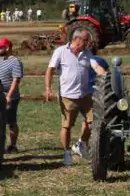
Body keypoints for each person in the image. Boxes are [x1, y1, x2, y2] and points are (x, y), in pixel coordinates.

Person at [44, 28, 94, 166]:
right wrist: (48, 88)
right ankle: (66, 153)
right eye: (85, 40)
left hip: (85, 94)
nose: (87, 43)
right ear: (77, 39)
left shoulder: (87, 53)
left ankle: (81, 144)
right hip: (67, 96)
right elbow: (50, 70)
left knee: (93, 122)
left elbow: (95, 67)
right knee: (67, 126)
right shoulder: (61, 51)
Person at [0, 38, 23, 153]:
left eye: (0, 47)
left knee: (11, 121)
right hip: (0, 95)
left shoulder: (15, 62)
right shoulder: (2, 60)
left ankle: (13, 146)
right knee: (0, 121)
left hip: (10, 97)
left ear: (7, 48)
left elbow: (16, 80)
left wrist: (9, 96)